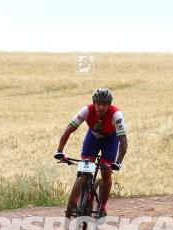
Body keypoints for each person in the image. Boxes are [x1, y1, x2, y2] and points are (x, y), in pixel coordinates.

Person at [54, 88, 127, 219]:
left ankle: (102, 206)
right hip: (92, 138)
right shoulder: (87, 110)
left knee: (106, 172)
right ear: (94, 103)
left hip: (110, 140)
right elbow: (69, 129)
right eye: (98, 103)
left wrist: (118, 162)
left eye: (104, 104)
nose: (101, 107)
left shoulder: (116, 115)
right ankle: (76, 200)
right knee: (84, 168)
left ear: (109, 105)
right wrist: (59, 151)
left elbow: (123, 140)